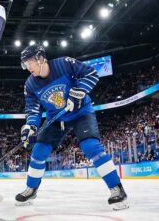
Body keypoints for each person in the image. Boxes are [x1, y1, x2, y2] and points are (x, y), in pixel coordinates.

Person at [15, 45, 128, 210]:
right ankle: (31, 189)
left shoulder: (63, 63)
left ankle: (117, 189)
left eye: (30, 62)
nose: (28, 67)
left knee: (90, 146)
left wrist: (78, 91)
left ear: (40, 58)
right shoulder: (30, 85)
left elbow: (90, 73)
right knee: (38, 151)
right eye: (25, 64)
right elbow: (33, 109)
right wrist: (30, 127)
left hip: (81, 112)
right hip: (56, 118)